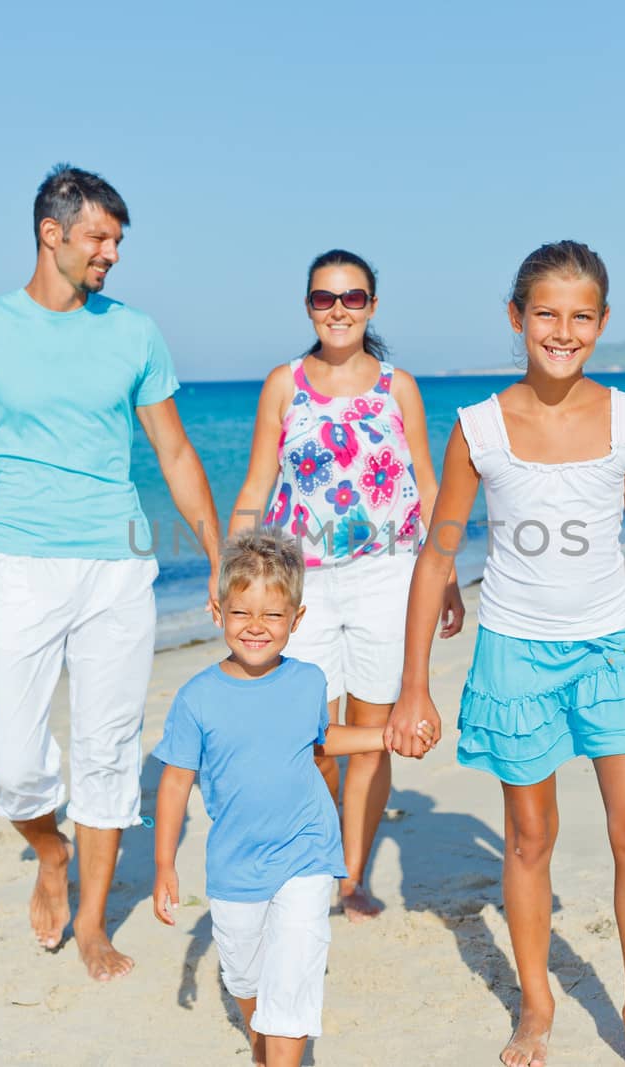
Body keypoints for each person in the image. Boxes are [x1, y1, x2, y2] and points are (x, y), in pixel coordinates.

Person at [0, 164, 221, 982]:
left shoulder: (135, 333)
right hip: (19, 564)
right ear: (52, 233)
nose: (111, 253)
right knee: (13, 763)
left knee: (109, 750)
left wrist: (219, 555)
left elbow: (174, 450)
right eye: (98, 238)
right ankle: (50, 848)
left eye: (117, 240)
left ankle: (92, 923)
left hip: (117, 564)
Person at [389, 241, 625, 1067]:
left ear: (601, 322)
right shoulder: (479, 428)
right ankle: (535, 1004)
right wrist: (413, 685)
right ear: (517, 318)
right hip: (516, 653)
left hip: (610, 651)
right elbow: (436, 554)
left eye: (581, 316)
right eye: (547, 314)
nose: (564, 331)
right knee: (529, 835)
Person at [227, 249, 463, 920]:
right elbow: (255, 485)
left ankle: (351, 874)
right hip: (300, 583)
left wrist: (442, 576)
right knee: (309, 733)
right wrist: (232, 573)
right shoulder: (284, 384)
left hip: (389, 577)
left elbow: (427, 485)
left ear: (372, 306)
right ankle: (315, 850)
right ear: (308, 306)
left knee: (373, 728)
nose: (339, 310)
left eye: (353, 297)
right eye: (325, 298)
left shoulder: (399, 388)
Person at [151, 528, 431, 1066]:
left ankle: (280, 1050)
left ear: (296, 621)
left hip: (305, 853)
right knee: (244, 974)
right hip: (235, 866)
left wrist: (386, 734)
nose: (256, 627)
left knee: (295, 977)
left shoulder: (307, 681)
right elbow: (175, 781)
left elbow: (324, 739)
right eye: (242, 614)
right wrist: (164, 862)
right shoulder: (197, 699)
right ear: (218, 613)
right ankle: (261, 1034)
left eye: (272, 616)